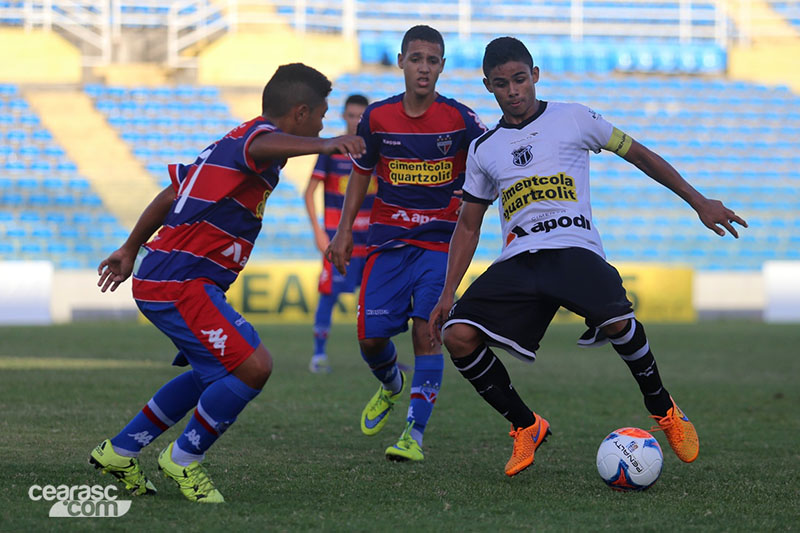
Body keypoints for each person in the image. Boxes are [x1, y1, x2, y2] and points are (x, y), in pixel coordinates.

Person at [428, 37, 748, 477]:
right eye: (502, 84)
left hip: (574, 247)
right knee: (457, 335)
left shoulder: (574, 117)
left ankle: (663, 408)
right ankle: (526, 426)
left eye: (520, 79)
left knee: (618, 320)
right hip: (520, 258)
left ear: (535, 75)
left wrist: (698, 201)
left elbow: (640, 155)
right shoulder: (484, 148)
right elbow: (468, 224)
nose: (514, 91)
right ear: (488, 86)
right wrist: (448, 292)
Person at [89, 63, 366, 502]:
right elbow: (266, 143)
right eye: (322, 115)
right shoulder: (253, 141)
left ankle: (120, 451)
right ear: (300, 114)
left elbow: (169, 194)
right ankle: (182, 459)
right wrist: (327, 144)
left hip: (174, 276)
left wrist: (129, 248)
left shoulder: (230, 144)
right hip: (179, 281)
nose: (324, 123)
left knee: (210, 374)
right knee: (255, 366)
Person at [327, 25, 487, 462]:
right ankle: (391, 383)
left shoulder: (460, 119)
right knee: (369, 339)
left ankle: (413, 435)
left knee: (427, 330)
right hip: (388, 242)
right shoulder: (377, 117)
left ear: (442, 67)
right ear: (401, 61)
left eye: (432, 61)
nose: (424, 68)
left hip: (441, 242)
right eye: (416, 58)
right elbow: (362, 171)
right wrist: (343, 232)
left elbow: (492, 156)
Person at [304, 94, 377, 374]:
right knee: (329, 295)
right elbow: (309, 192)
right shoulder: (333, 150)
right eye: (351, 115)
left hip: (370, 241)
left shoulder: (375, 150)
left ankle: (381, 359)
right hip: (338, 238)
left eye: (361, 116)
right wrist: (318, 232)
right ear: (343, 116)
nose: (355, 121)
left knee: (375, 300)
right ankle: (318, 355)